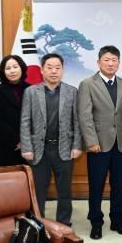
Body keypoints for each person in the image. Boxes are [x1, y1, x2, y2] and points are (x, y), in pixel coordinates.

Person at [78, 45, 122, 239]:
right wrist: (91, 141)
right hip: (98, 145)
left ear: (119, 63)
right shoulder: (87, 84)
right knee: (96, 185)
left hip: (121, 144)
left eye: (114, 60)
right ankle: (96, 223)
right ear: (98, 62)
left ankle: (117, 220)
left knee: (118, 185)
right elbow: (84, 116)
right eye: (106, 60)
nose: (110, 64)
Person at [20, 53, 82, 226]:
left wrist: (77, 145)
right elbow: (25, 121)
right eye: (49, 67)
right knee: (38, 190)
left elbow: (77, 121)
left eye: (57, 68)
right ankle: (38, 224)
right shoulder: (31, 92)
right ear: (42, 70)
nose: (54, 71)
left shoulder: (72, 91)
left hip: (64, 148)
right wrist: (27, 147)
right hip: (39, 149)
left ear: (62, 70)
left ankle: (64, 224)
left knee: (64, 189)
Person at [0, 54, 30, 166]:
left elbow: (36, 118)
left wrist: (26, 140)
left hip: (29, 145)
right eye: (8, 68)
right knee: (7, 175)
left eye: (15, 67)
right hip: (5, 144)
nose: (12, 71)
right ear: (3, 72)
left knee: (28, 175)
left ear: (22, 68)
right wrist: (17, 141)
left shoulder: (31, 89)